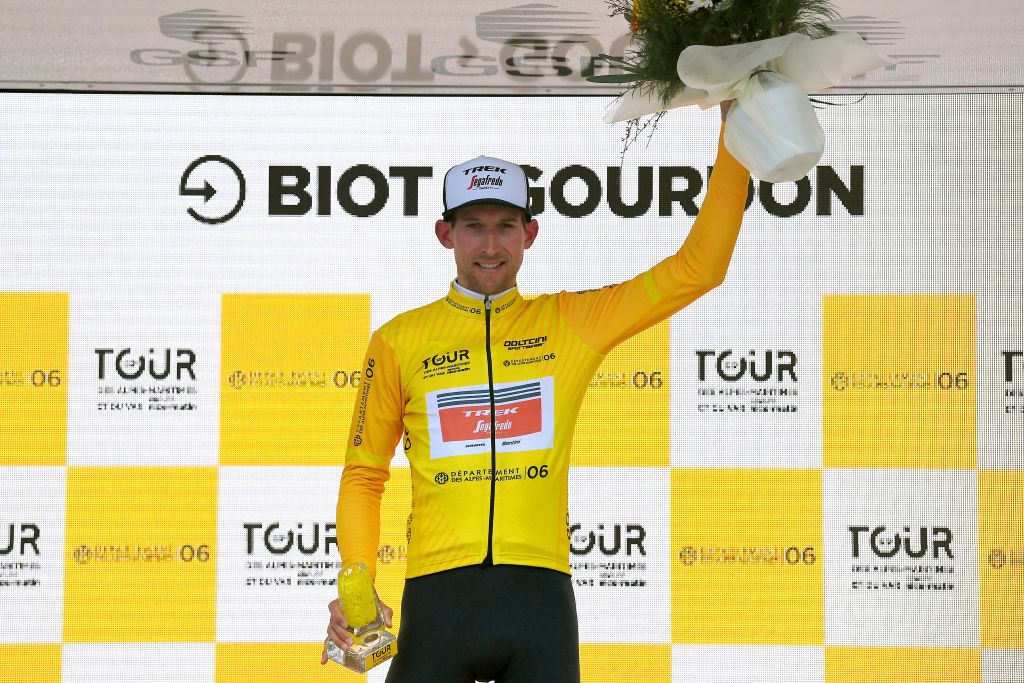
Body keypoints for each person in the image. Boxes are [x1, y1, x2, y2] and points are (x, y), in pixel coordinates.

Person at [322, 102, 747, 682]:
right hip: (437, 600)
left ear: (531, 233)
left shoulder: (570, 321)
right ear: (445, 233)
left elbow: (700, 268)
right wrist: (357, 578)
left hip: (539, 599)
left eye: (505, 226)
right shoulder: (399, 340)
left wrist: (735, 127)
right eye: (474, 225)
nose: (490, 245)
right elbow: (364, 474)